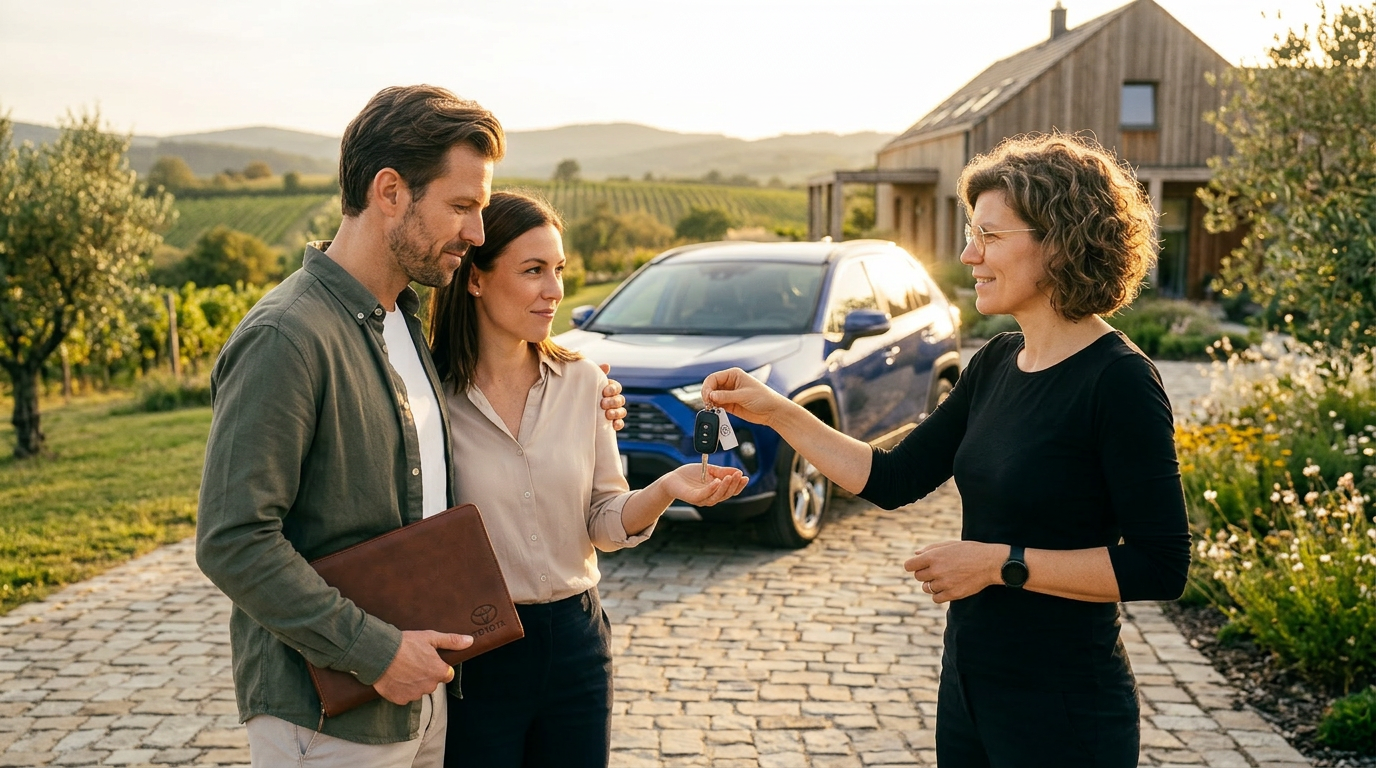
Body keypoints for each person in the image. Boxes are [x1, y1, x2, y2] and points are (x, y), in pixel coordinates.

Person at [701, 133, 1191, 768]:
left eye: (989, 236)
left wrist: (998, 565)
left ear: (1061, 241)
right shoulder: (994, 363)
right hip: (970, 687)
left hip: (1064, 708)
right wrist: (775, 410)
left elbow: (1160, 564)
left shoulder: (1119, 381)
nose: (968, 254)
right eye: (971, 232)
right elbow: (891, 476)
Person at [195, 86, 627, 768]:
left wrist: (584, 404)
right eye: (462, 207)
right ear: (390, 191)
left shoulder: (402, 322)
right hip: (327, 717)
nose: (478, 234)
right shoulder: (288, 334)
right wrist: (375, 652)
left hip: (423, 707)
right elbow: (233, 540)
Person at [427, 191, 749, 768]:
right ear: (475, 279)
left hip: (577, 640)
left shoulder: (583, 383)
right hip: (476, 655)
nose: (554, 291)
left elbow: (603, 519)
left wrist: (666, 489)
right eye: (533, 271)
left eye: (558, 271)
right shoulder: (430, 400)